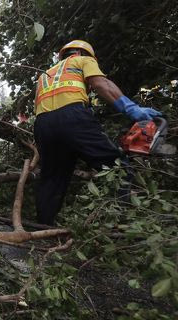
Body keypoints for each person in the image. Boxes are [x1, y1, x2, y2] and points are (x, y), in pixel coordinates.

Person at [33, 40, 161, 225]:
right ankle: (121, 224)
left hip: (43, 124)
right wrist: (131, 109)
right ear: (83, 53)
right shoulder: (82, 60)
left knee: (52, 177)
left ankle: (42, 229)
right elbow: (101, 84)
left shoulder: (45, 75)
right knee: (117, 166)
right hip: (73, 117)